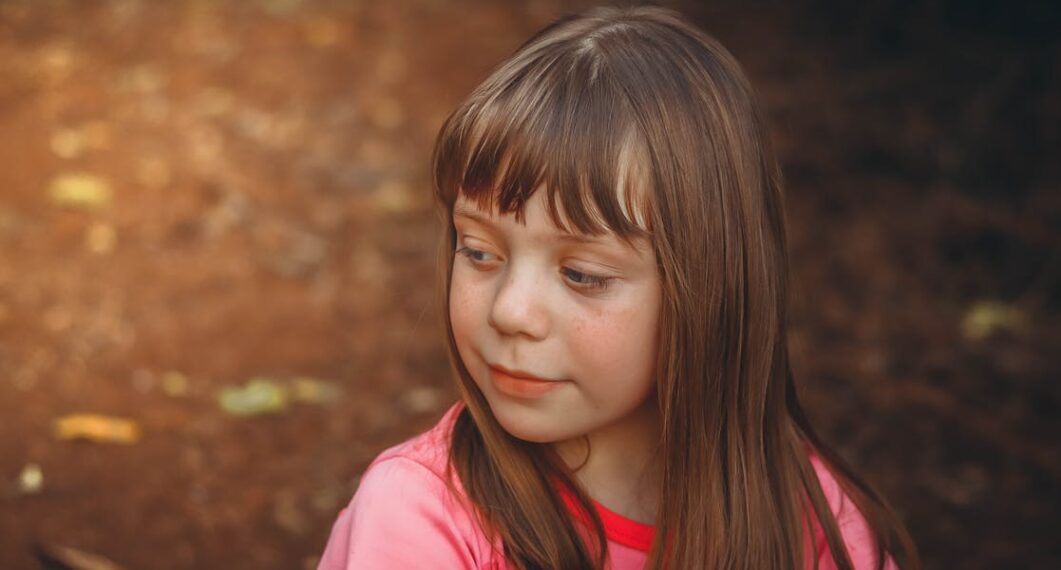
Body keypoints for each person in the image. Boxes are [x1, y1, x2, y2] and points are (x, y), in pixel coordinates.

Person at [318, 6, 918, 569]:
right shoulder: (422, 517)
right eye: (478, 252)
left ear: (707, 292)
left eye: (583, 274)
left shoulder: (811, 520)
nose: (511, 311)